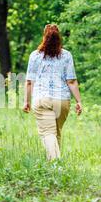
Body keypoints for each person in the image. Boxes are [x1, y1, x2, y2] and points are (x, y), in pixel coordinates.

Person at [23, 24, 82, 160]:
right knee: (56, 133)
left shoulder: (35, 56)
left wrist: (26, 101)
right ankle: (55, 168)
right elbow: (71, 81)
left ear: (44, 37)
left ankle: (55, 163)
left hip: (42, 99)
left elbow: (29, 81)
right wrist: (79, 101)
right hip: (62, 101)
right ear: (59, 38)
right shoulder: (66, 55)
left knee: (48, 133)